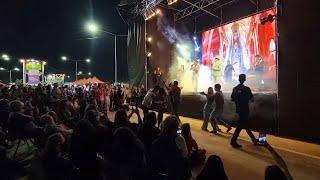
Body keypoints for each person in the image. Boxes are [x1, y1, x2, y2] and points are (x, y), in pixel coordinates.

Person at [150, 115, 191, 180]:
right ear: (177, 127)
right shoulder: (179, 139)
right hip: (173, 172)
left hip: (158, 170)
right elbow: (185, 156)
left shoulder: (157, 139)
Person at [230, 74, 258, 148]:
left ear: (238, 79)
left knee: (245, 125)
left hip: (239, 109)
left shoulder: (235, 88)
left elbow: (232, 99)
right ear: (245, 79)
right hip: (245, 109)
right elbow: (252, 99)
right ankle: (233, 141)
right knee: (240, 126)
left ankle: (254, 139)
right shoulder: (247, 89)